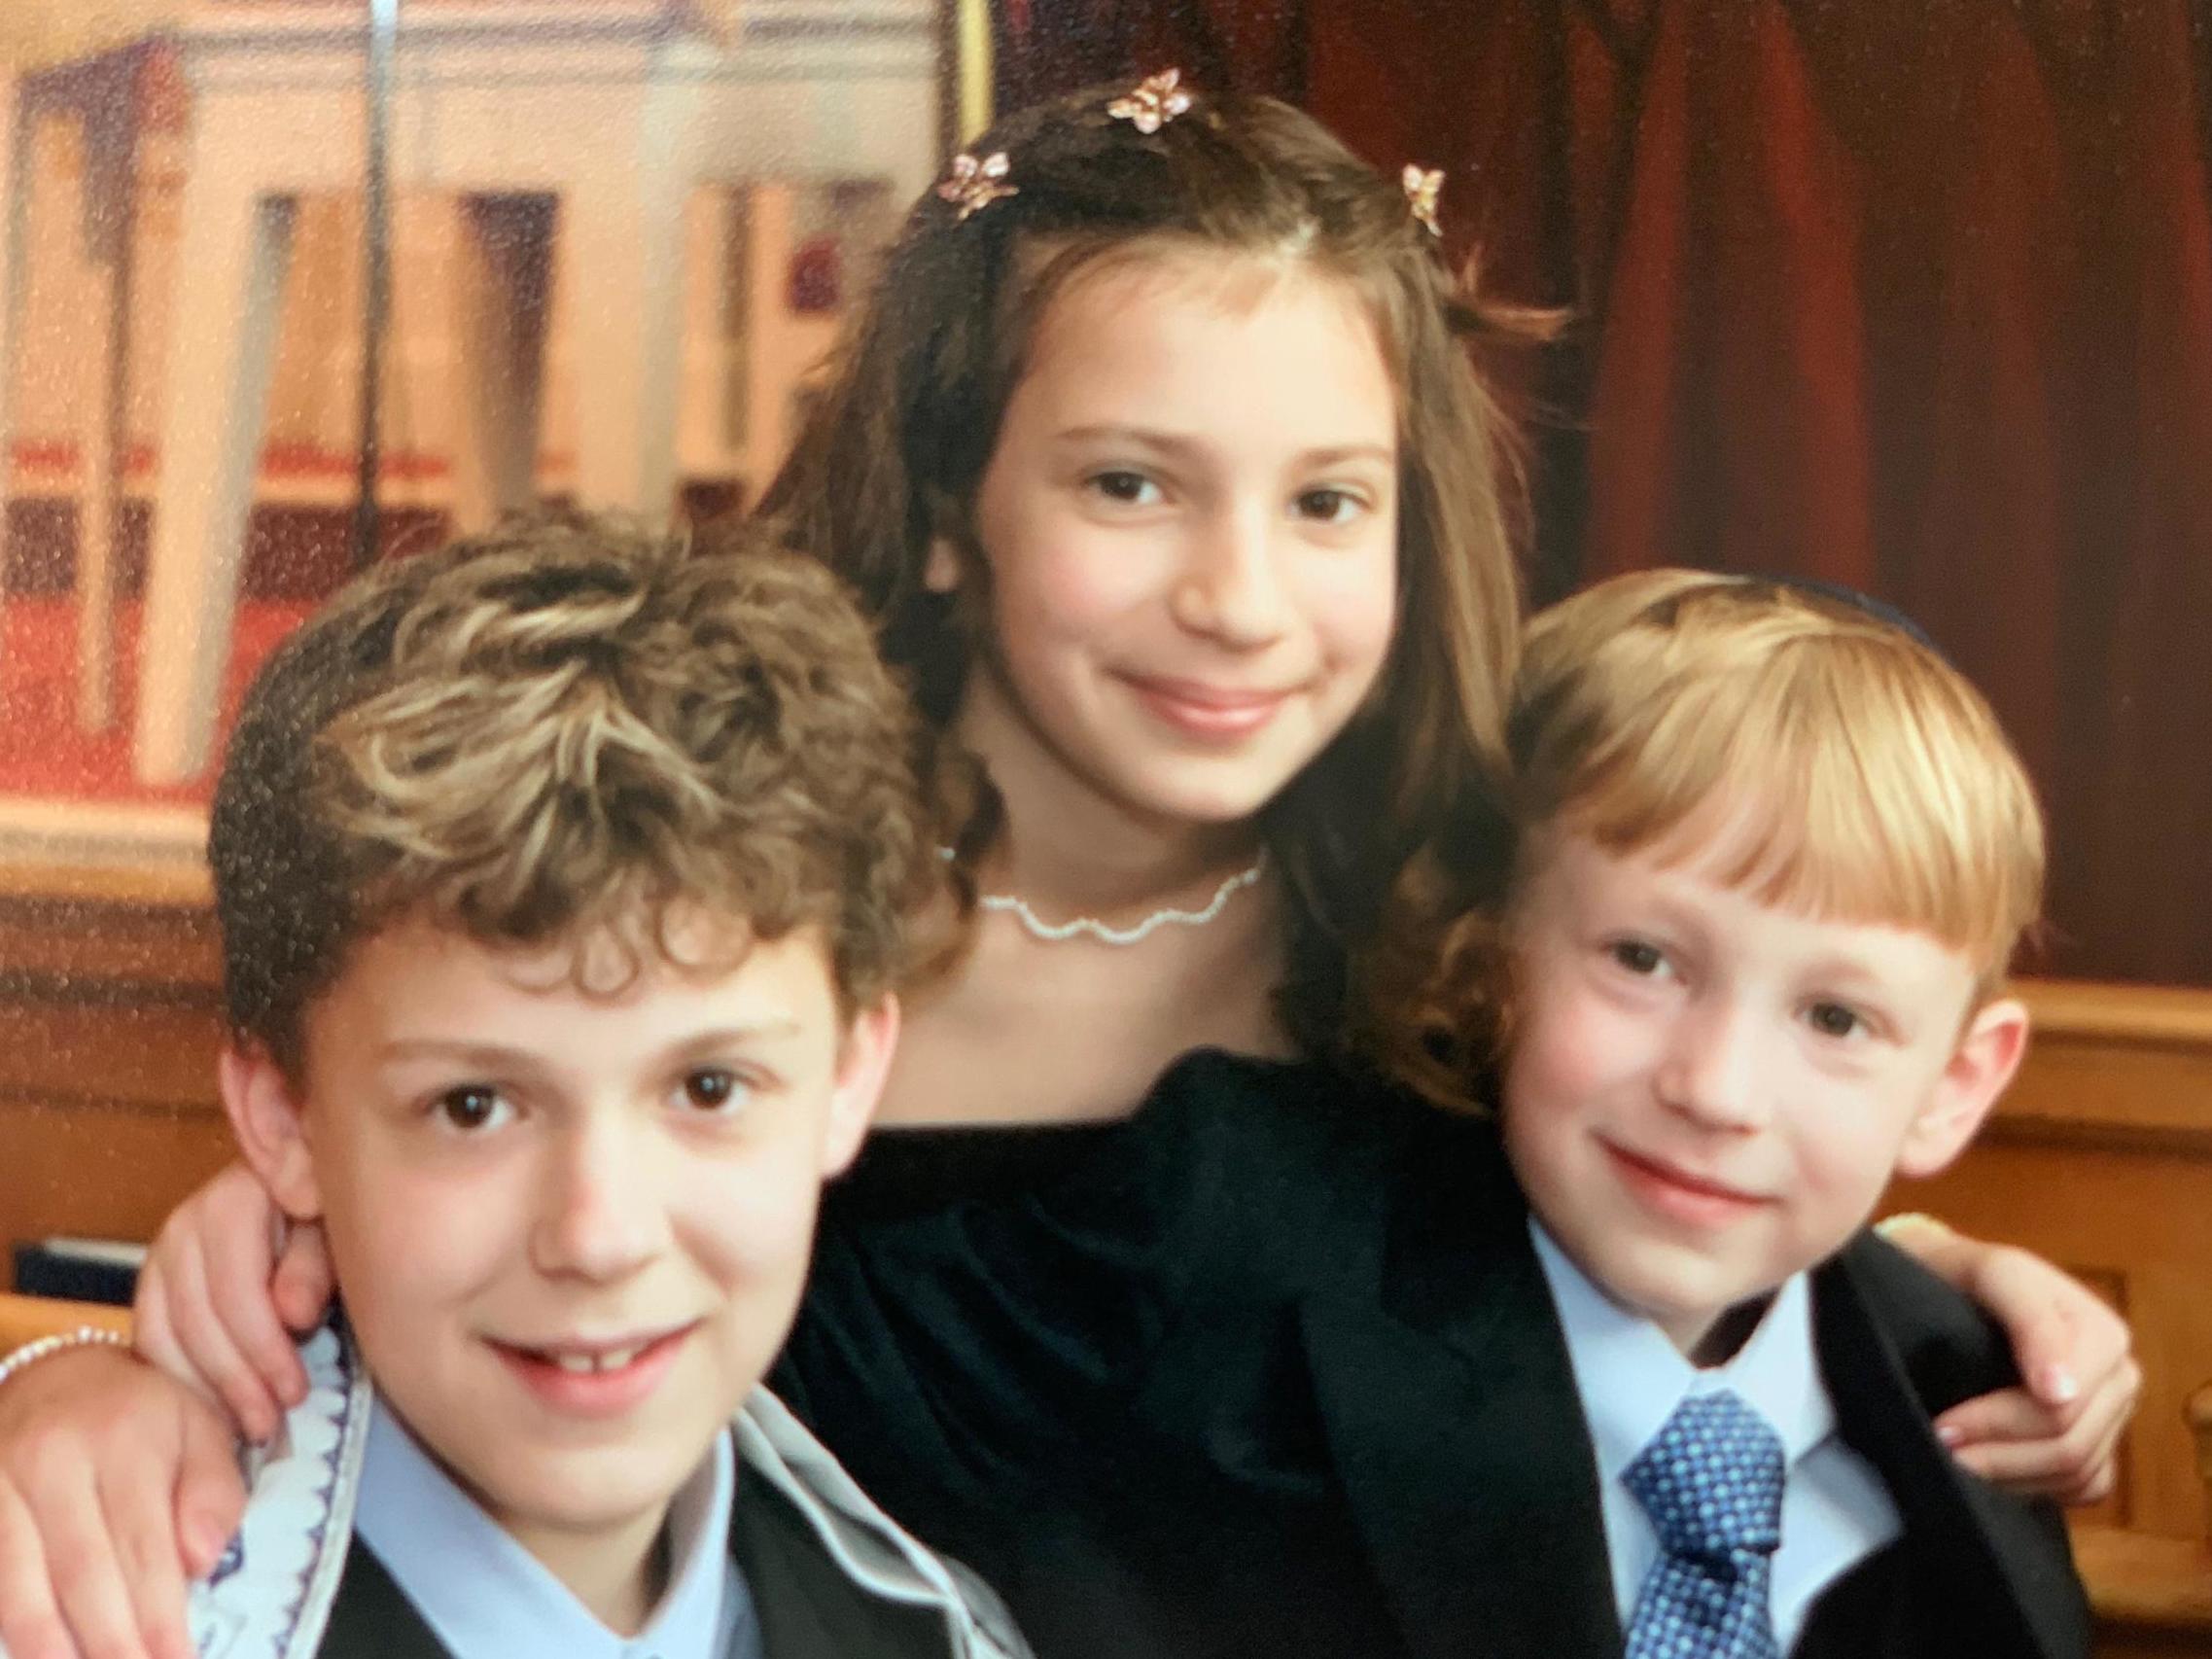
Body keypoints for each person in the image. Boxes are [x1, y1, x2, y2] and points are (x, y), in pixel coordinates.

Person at [0, 78, 2134, 1659]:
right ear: (950, 502)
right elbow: (447, 1161)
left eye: (1326, 502)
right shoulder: (725, 919)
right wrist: (94, 1355)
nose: (1237, 599)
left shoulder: (1434, 933)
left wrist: (1926, 1285)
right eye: (1132, 483)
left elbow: (1683, 1159)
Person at [0, 518, 1027, 1658]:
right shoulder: (84, 1606)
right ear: (282, 1115)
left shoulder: (945, 1635)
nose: (598, 1235)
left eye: (708, 1085)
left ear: (848, 1072)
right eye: (473, 1105)